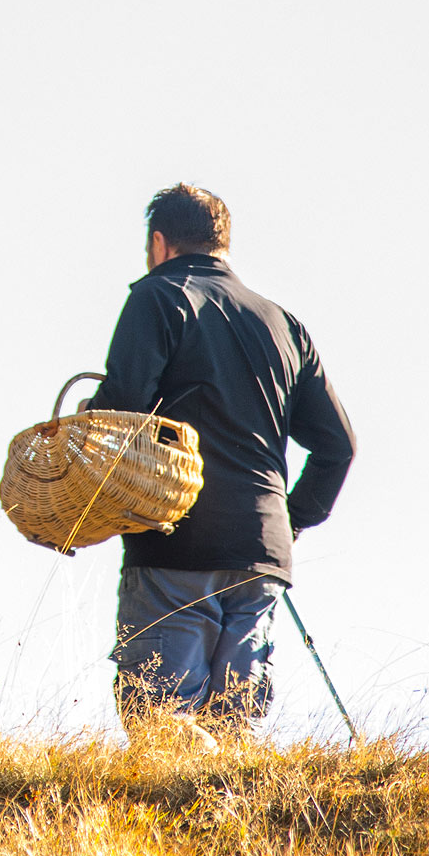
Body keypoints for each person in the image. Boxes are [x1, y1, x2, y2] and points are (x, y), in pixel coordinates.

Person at [90, 184, 354, 745]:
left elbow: (120, 414)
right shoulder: (284, 324)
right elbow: (338, 447)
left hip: (175, 548)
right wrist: (293, 520)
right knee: (235, 743)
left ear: (158, 243)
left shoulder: (157, 298)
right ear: (222, 244)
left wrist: (91, 419)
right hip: (261, 556)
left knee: (165, 732)